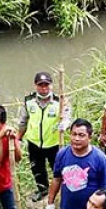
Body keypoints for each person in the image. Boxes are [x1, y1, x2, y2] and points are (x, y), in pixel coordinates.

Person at [18, 72, 72, 201]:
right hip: (34, 143)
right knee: (37, 168)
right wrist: (18, 138)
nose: (44, 88)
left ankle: (61, 192)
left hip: (53, 143)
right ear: (35, 85)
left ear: (51, 85)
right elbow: (23, 121)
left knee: (57, 169)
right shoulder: (28, 101)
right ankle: (43, 190)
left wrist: (65, 123)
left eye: (46, 84)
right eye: (40, 85)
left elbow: (68, 117)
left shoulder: (60, 101)